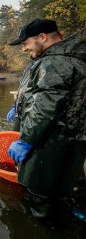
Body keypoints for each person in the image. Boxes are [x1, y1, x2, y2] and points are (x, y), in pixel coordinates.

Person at [7, 18, 86, 221]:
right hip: (67, 141)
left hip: (51, 144)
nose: (24, 49)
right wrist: (17, 107)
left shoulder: (55, 62)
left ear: (42, 37)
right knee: (63, 191)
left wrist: (27, 140)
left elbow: (47, 106)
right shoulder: (68, 58)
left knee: (41, 200)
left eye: (25, 43)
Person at [6, 58, 36, 131]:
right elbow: (22, 90)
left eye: (26, 45)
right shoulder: (29, 66)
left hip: (32, 117)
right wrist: (14, 106)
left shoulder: (47, 66)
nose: (24, 48)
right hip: (18, 113)